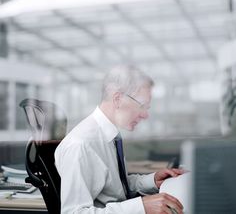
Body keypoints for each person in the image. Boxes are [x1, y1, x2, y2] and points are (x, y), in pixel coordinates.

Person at [55, 65, 184, 214]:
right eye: (142, 106)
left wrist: (152, 181)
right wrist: (141, 207)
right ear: (117, 99)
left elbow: (116, 187)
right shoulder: (82, 145)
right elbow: (73, 213)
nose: (145, 115)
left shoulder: (111, 134)